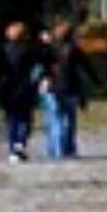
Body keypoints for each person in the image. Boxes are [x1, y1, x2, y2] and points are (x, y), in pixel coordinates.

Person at [0, 19, 42, 166]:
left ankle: (13, 147)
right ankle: (21, 143)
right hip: (25, 87)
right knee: (25, 118)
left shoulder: (2, 50)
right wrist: (35, 82)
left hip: (7, 87)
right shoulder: (30, 49)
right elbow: (37, 69)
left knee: (10, 118)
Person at [36, 20, 81, 161]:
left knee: (54, 119)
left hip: (52, 87)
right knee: (68, 120)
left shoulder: (50, 49)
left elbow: (41, 63)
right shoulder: (73, 49)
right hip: (70, 87)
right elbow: (85, 65)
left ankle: (55, 149)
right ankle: (66, 148)